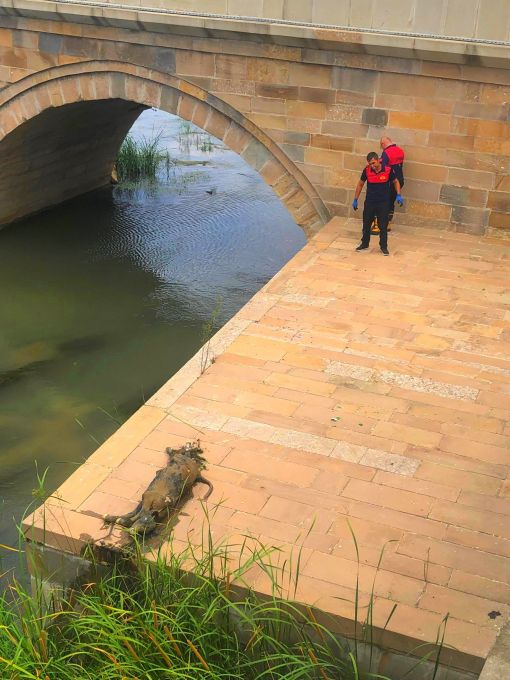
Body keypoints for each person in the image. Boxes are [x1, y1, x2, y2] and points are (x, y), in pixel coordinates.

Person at [352, 151, 403, 256]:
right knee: (366, 224)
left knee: (383, 226)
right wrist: (355, 199)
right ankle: (364, 244)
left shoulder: (388, 170)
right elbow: (360, 184)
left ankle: (383, 247)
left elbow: (396, 181)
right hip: (370, 202)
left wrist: (398, 194)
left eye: (373, 163)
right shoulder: (367, 171)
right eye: (370, 164)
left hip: (383, 203)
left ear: (378, 160)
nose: (372, 166)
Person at [380, 136, 405, 228]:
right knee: (391, 201)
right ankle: (388, 223)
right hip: (400, 180)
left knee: (384, 201)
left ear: (383, 144)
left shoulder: (386, 153)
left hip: (390, 182)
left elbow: (384, 169)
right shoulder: (400, 151)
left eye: (381, 146)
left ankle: (383, 223)